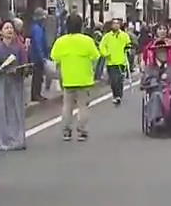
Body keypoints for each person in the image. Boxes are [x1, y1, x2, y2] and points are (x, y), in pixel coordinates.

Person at [51, 13, 101, 142]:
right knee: (82, 105)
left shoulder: (61, 41)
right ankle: (82, 131)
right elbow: (96, 56)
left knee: (67, 106)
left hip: (68, 78)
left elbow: (54, 58)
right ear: (81, 26)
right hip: (84, 78)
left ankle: (66, 131)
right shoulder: (87, 40)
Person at [0, 19, 30, 150]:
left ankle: (18, 139)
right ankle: (4, 140)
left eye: (11, 28)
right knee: (2, 109)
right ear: (0, 32)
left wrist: (21, 69)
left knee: (16, 109)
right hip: (1, 81)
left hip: (16, 81)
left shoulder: (19, 48)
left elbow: (25, 64)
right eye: (6, 28)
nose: (9, 30)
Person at [99, 17, 133, 105]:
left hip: (121, 61)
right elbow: (102, 46)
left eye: (118, 24)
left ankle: (119, 95)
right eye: (114, 24)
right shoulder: (107, 36)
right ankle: (115, 94)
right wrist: (106, 54)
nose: (116, 25)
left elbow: (128, 43)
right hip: (111, 62)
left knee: (119, 80)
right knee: (113, 80)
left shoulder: (124, 35)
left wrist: (128, 48)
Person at [28, 8, 49, 102]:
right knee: (37, 76)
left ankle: (37, 94)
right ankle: (36, 94)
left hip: (37, 56)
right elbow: (38, 43)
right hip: (37, 57)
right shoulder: (37, 29)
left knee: (38, 76)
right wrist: (42, 57)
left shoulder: (38, 27)